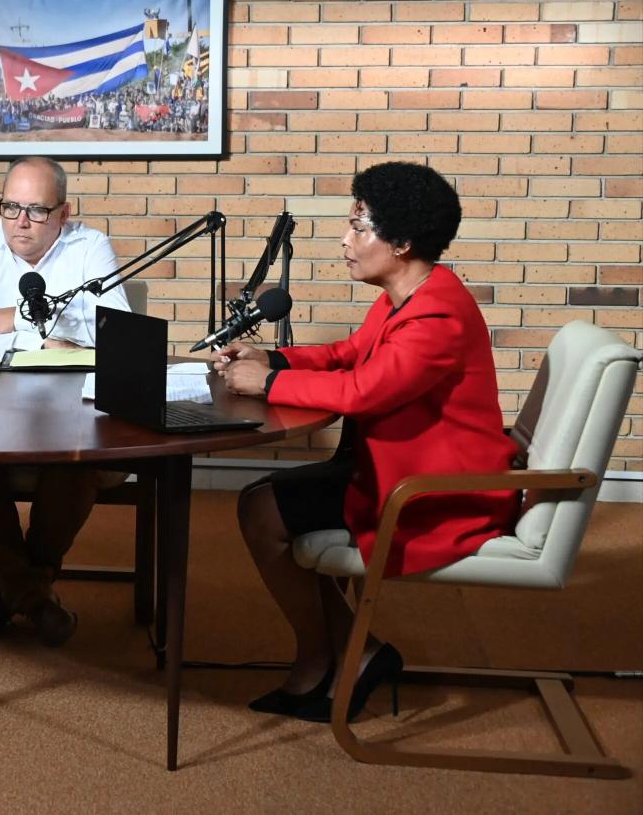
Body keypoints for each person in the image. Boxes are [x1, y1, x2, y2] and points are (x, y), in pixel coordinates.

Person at [217, 162, 520, 723]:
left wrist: (270, 384)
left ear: (401, 242)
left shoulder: (436, 313)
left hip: (435, 489)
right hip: (391, 467)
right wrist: (274, 358)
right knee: (260, 502)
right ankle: (356, 653)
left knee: (262, 510)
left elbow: (364, 391)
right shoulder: (409, 294)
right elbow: (349, 354)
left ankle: (329, 655)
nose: (345, 239)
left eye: (360, 226)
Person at [0, 156, 130, 646]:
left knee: (77, 463)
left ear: (63, 213)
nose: (20, 221)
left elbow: (117, 339)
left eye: (36, 210)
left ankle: (12, 593)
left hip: (72, 416)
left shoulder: (90, 247)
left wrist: (9, 321)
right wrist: (42, 338)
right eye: (10, 207)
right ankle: (33, 596)